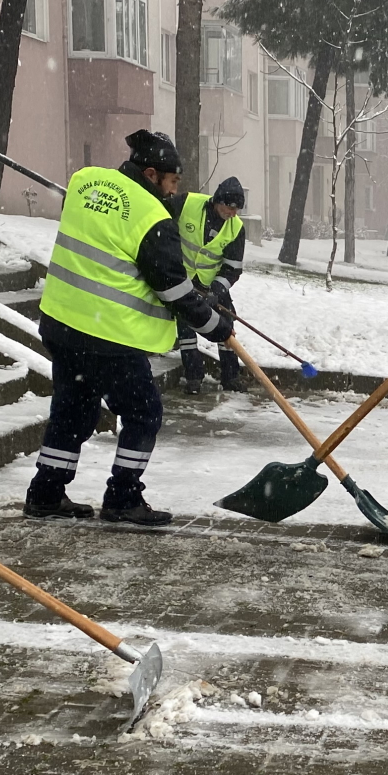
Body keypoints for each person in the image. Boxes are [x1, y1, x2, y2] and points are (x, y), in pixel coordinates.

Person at [26, 130, 233, 526]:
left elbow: (108, 246)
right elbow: (172, 289)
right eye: (172, 182)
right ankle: (122, 498)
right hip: (108, 334)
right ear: (151, 174)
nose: (173, 192)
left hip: (62, 324)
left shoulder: (85, 182)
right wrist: (217, 327)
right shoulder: (152, 217)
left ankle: (45, 494)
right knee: (143, 413)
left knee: (72, 410)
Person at [172, 176, 248, 395]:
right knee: (186, 326)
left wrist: (216, 291)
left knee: (226, 325)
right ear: (218, 200)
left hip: (211, 284)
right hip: (182, 279)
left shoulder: (236, 229)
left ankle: (230, 376)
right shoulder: (187, 203)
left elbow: (232, 268)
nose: (232, 213)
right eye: (229, 207)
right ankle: (193, 377)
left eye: (237, 209)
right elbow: (161, 224)